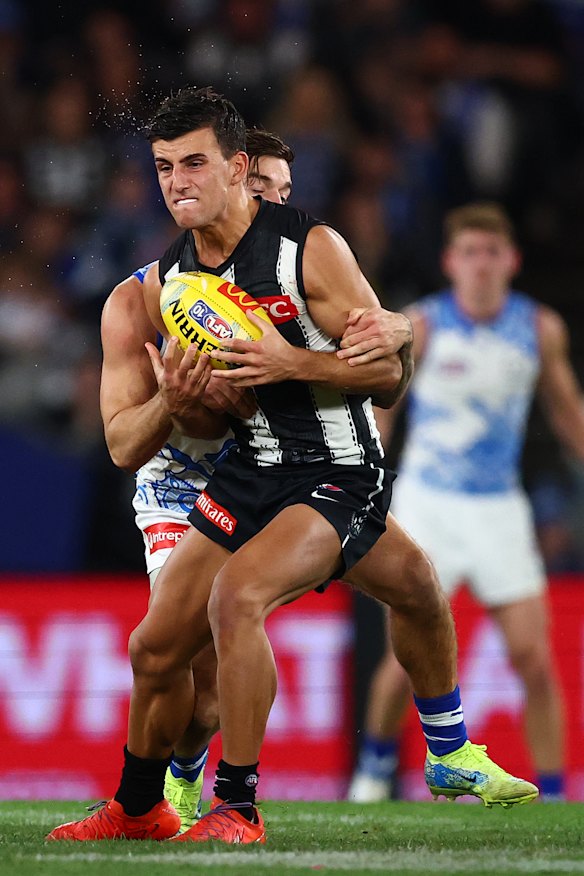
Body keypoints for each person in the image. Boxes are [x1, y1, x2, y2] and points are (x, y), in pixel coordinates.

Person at [48, 88, 537, 846]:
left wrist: (292, 360)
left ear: (238, 168)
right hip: (251, 469)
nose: (177, 181)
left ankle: (237, 807)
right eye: (163, 167)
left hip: (334, 469)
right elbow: (206, 418)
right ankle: (140, 805)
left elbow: (387, 375)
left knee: (237, 600)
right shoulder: (175, 278)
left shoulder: (310, 247)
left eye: (195, 164)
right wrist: (187, 400)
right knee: (154, 646)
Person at [349, 201, 584, 804]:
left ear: (512, 260)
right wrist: (360, 482)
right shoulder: (422, 325)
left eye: (492, 253)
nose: (482, 264)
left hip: (501, 509)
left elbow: (566, 413)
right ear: (450, 262)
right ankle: (374, 775)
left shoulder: (538, 328)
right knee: (406, 661)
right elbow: (384, 410)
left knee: (534, 659)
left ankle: (554, 796)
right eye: (470, 253)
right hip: (428, 506)